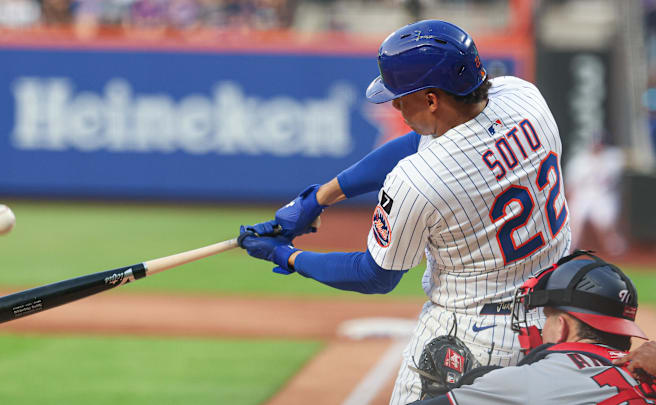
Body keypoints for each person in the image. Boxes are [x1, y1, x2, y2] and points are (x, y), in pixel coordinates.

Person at [237, 19, 572, 403]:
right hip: (556, 324)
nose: (395, 104)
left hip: (470, 340)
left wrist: (288, 256)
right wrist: (319, 197)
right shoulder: (523, 96)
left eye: (401, 96)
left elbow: (374, 276)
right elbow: (422, 140)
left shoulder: (419, 180)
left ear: (432, 100)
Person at [406, 251, 654, 404]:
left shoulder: (523, 382)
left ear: (562, 326)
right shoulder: (649, 374)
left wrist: (436, 395)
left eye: (546, 317)